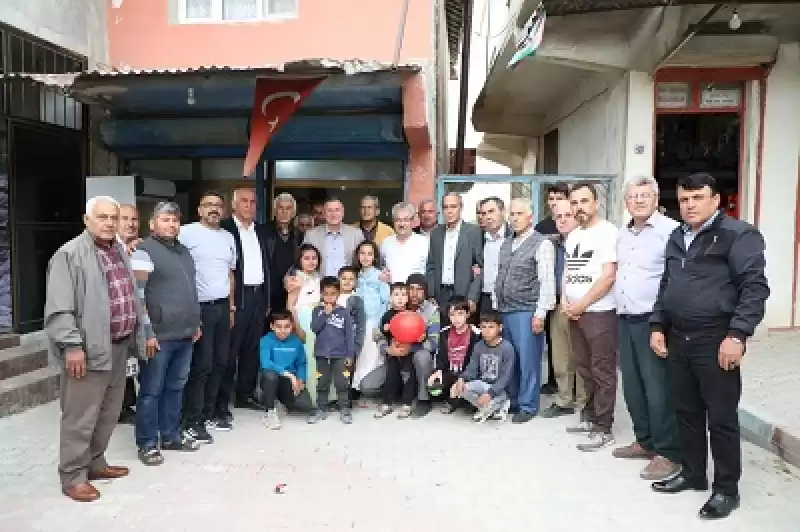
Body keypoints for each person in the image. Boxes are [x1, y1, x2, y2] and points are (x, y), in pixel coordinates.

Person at [650, 172, 769, 520]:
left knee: (721, 417)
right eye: (684, 199)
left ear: (716, 199)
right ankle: (693, 473)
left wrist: (738, 335)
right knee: (686, 412)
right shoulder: (676, 237)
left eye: (697, 198)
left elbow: (754, 288)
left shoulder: (738, 235)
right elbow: (667, 284)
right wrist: (658, 324)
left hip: (716, 339)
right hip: (679, 338)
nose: (689, 205)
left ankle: (726, 489)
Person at [45, 196, 145, 503]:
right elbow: (60, 308)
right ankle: (73, 476)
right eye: (102, 217)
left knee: (108, 411)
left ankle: (95, 462)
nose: (109, 223)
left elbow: (130, 295)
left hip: (118, 346)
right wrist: (72, 346)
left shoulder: (118, 251)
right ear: (87, 220)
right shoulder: (69, 254)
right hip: (85, 351)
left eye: (114, 218)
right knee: (80, 416)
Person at [613, 176, 682, 482]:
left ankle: (668, 453)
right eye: (633, 196)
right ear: (626, 201)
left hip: (653, 321)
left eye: (644, 195)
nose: (638, 200)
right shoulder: (624, 233)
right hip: (626, 318)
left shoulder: (670, 232)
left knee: (658, 389)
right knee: (633, 386)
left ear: (655, 199)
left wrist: (663, 323)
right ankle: (645, 441)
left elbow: (675, 280)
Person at [131, 201, 203, 465]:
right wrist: (147, 333)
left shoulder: (184, 252)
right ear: (152, 224)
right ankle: (147, 443)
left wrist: (195, 324)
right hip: (158, 336)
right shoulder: (143, 251)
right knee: (151, 390)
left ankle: (171, 436)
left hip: (185, 334)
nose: (171, 224)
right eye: (165, 220)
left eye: (174, 220)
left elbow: (190, 290)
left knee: (175, 388)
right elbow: (138, 298)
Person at [563, 182, 619, 452]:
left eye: (584, 201)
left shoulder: (608, 232)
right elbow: (568, 271)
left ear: (596, 203)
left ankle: (603, 428)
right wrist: (565, 299)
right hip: (575, 314)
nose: (579, 208)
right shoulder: (573, 235)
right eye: (574, 203)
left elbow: (608, 276)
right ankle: (590, 417)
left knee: (602, 371)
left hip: (599, 313)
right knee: (584, 369)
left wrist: (582, 303)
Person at [177, 191, 237, 445]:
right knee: (201, 366)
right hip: (198, 308)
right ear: (199, 210)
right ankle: (192, 421)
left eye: (217, 205)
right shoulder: (185, 232)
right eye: (208, 205)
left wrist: (232, 307)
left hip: (223, 307)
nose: (213, 209)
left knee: (220, 362)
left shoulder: (227, 237)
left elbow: (230, 273)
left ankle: (209, 413)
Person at [494, 199, 556, 423]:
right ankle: (514, 400)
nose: (515, 217)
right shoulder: (506, 243)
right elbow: (499, 275)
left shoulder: (542, 244)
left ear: (530, 216)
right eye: (512, 213)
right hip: (505, 310)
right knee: (510, 359)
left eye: (520, 213)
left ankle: (528, 406)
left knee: (528, 361)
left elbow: (547, 282)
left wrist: (540, 314)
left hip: (527, 311)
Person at [218, 188, 271, 423]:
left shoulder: (260, 230)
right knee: (230, 351)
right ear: (233, 205)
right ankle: (222, 400)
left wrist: (267, 298)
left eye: (252, 202)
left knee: (252, 349)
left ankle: (245, 395)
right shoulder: (225, 229)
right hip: (236, 298)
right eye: (244, 201)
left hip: (258, 296)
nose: (249, 206)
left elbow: (266, 267)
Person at [362, 273, 440, 418]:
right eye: (411, 289)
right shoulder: (395, 308)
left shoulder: (432, 310)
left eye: (419, 289)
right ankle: (398, 392)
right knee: (367, 387)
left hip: (415, 361)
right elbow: (378, 334)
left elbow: (434, 343)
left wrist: (410, 349)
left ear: (425, 292)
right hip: (394, 358)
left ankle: (423, 399)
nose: (415, 293)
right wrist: (388, 350)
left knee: (421, 356)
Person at [540, 199, 586, 419]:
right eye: (558, 216)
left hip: (585, 305)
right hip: (559, 305)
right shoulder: (551, 243)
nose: (563, 220)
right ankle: (565, 398)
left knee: (583, 356)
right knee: (560, 356)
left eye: (568, 215)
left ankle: (585, 401)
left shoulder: (588, 240)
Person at [426, 192, 483, 319]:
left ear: (461, 208)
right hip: (440, 295)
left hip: (464, 295)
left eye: (453, 206)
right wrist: (431, 294)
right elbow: (431, 266)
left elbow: (480, 267)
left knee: (463, 335)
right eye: (446, 207)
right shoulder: (435, 233)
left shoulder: (473, 232)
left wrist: (473, 297)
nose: (449, 211)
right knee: (443, 334)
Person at [307, 276, 356, 425]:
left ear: (338, 294)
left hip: (340, 355)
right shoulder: (317, 310)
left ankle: (345, 409)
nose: (329, 297)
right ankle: (321, 409)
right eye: (326, 293)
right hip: (322, 355)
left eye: (333, 293)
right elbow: (314, 328)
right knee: (322, 382)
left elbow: (349, 334)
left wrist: (350, 354)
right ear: (321, 294)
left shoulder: (343, 312)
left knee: (342, 383)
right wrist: (325, 315)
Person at [450, 310, 514, 423]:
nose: (487, 331)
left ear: (500, 328)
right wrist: (461, 379)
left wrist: (490, 393)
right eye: (483, 327)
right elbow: (472, 368)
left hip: (499, 389)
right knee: (460, 389)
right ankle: (493, 408)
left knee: (497, 394)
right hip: (483, 384)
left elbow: (506, 378)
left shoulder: (507, 348)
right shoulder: (479, 346)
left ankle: (497, 404)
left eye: (491, 327)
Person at [536, 182, 570, 395]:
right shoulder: (541, 227)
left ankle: (571, 388)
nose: (554, 202)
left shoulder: (574, 228)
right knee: (551, 339)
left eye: (559, 197)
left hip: (570, 296)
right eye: (551, 198)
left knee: (569, 345)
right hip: (548, 292)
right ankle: (552, 379)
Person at [259, 310, 313, 430]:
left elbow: (302, 363)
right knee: (270, 376)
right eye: (278, 327)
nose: (283, 330)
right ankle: (270, 411)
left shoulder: (296, 342)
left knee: (305, 405)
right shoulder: (266, 340)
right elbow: (266, 362)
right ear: (272, 326)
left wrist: (301, 380)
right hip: (271, 378)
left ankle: (278, 402)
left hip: (287, 382)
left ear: (292, 326)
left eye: (287, 326)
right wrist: (289, 374)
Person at [429, 296, 481, 414]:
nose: (456, 318)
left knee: (468, 394)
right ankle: (454, 396)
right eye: (452, 314)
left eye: (460, 314)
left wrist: (464, 378)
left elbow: (476, 361)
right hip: (451, 371)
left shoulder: (476, 334)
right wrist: (438, 371)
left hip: (469, 374)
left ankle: (459, 399)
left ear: (467, 314)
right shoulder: (444, 332)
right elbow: (440, 354)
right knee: (434, 387)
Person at [352, 241, 390, 396]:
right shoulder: (356, 276)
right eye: (362, 253)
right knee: (359, 352)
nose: (366, 257)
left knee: (372, 353)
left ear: (374, 257)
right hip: (359, 321)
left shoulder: (379, 276)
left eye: (369, 254)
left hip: (373, 321)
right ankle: (357, 384)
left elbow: (386, 300)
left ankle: (368, 385)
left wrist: (380, 323)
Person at [285, 244, 322, 401]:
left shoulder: (318, 278)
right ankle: (310, 398)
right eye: (306, 258)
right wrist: (296, 327)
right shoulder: (295, 280)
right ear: (299, 260)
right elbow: (290, 306)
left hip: (317, 321)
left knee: (319, 358)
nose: (311, 261)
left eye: (314, 258)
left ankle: (323, 395)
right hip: (303, 321)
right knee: (307, 359)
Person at [374, 283, 417, 419]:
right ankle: (387, 403)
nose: (400, 298)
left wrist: (421, 336)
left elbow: (419, 330)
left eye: (403, 295)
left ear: (408, 298)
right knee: (391, 377)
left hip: (408, 353)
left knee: (409, 377)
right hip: (393, 353)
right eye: (396, 295)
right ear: (390, 298)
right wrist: (384, 329)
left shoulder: (411, 314)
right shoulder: (387, 315)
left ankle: (407, 404)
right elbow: (380, 333)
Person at [117, 203, 141, 424]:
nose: (130, 223)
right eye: (125, 218)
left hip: (137, 317)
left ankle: (127, 405)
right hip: (115, 320)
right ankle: (119, 409)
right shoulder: (108, 249)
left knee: (132, 362)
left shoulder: (139, 247)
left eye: (134, 219)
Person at [303, 198, 364, 276]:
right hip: (320, 285)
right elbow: (302, 262)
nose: (333, 214)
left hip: (348, 285)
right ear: (324, 214)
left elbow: (364, 262)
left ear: (343, 213)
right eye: (329, 210)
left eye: (337, 210)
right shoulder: (311, 235)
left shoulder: (356, 234)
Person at [268, 193, 303, 312]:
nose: (284, 212)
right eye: (280, 208)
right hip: (270, 292)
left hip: (292, 290)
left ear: (293, 212)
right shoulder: (263, 232)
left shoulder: (299, 235)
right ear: (274, 211)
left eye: (288, 208)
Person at [380, 202, 430, 283]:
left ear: (412, 221)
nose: (402, 224)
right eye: (398, 220)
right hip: (392, 292)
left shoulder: (424, 243)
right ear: (393, 221)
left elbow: (431, 272)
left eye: (405, 220)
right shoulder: (386, 243)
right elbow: (381, 267)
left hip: (415, 293)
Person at [337, 265, 366, 403]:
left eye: (351, 279)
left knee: (347, 371)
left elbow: (361, 325)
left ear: (356, 282)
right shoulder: (331, 297)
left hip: (349, 342)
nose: (347, 282)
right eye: (344, 279)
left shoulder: (356, 299)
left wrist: (356, 346)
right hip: (332, 342)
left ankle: (346, 401)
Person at [477, 197, 511, 313]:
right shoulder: (478, 237)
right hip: (485, 297)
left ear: (503, 212)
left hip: (508, 298)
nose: (488, 216)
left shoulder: (514, 236)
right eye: (484, 213)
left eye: (491, 211)